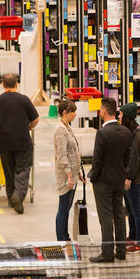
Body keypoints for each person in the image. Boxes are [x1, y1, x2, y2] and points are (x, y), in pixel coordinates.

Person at [0, 73, 38, 213]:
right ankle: (18, 195)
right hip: (22, 141)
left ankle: (10, 199)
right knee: (23, 169)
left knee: (8, 170)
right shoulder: (24, 100)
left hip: (4, 142)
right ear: (16, 84)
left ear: (3, 84)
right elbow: (36, 119)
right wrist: (29, 128)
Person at [88, 97, 132, 263]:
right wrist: (124, 173)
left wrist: (93, 177)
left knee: (105, 217)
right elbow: (127, 157)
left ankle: (107, 252)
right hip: (119, 180)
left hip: (104, 182)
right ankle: (121, 250)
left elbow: (97, 159)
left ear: (104, 111)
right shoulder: (126, 132)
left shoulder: (102, 133)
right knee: (119, 214)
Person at [120, 103, 140, 251]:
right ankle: (132, 236)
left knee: (137, 210)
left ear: (127, 117)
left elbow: (135, 158)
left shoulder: (137, 134)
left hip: (133, 179)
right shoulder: (130, 131)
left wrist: (129, 177)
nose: (119, 116)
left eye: (121, 114)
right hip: (128, 177)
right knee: (130, 209)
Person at [53, 99, 81, 242]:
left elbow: (73, 151)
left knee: (67, 207)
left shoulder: (67, 127)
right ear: (65, 113)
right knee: (63, 208)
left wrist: (78, 173)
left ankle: (65, 236)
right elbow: (62, 155)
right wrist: (69, 175)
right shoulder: (60, 130)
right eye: (73, 112)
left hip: (73, 175)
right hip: (65, 176)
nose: (75, 114)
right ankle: (61, 238)